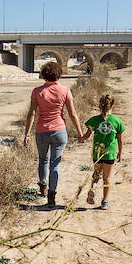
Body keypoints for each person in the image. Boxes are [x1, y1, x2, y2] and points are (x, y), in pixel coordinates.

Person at [23, 61, 83, 208]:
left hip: (41, 131)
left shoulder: (37, 92)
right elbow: (72, 114)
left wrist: (27, 134)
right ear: (58, 74)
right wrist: (80, 133)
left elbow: (32, 113)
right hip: (59, 131)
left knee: (43, 160)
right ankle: (52, 195)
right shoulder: (65, 91)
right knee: (54, 164)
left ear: (44, 74)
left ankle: (43, 186)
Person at [79, 94, 125, 210]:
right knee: (107, 177)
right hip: (109, 154)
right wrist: (120, 152)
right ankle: (105, 201)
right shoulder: (117, 121)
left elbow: (87, 135)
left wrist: (82, 139)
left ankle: (93, 188)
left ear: (100, 106)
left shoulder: (94, 120)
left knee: (96, 175)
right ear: (112, 106)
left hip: (97, 153)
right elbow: (120, 140)